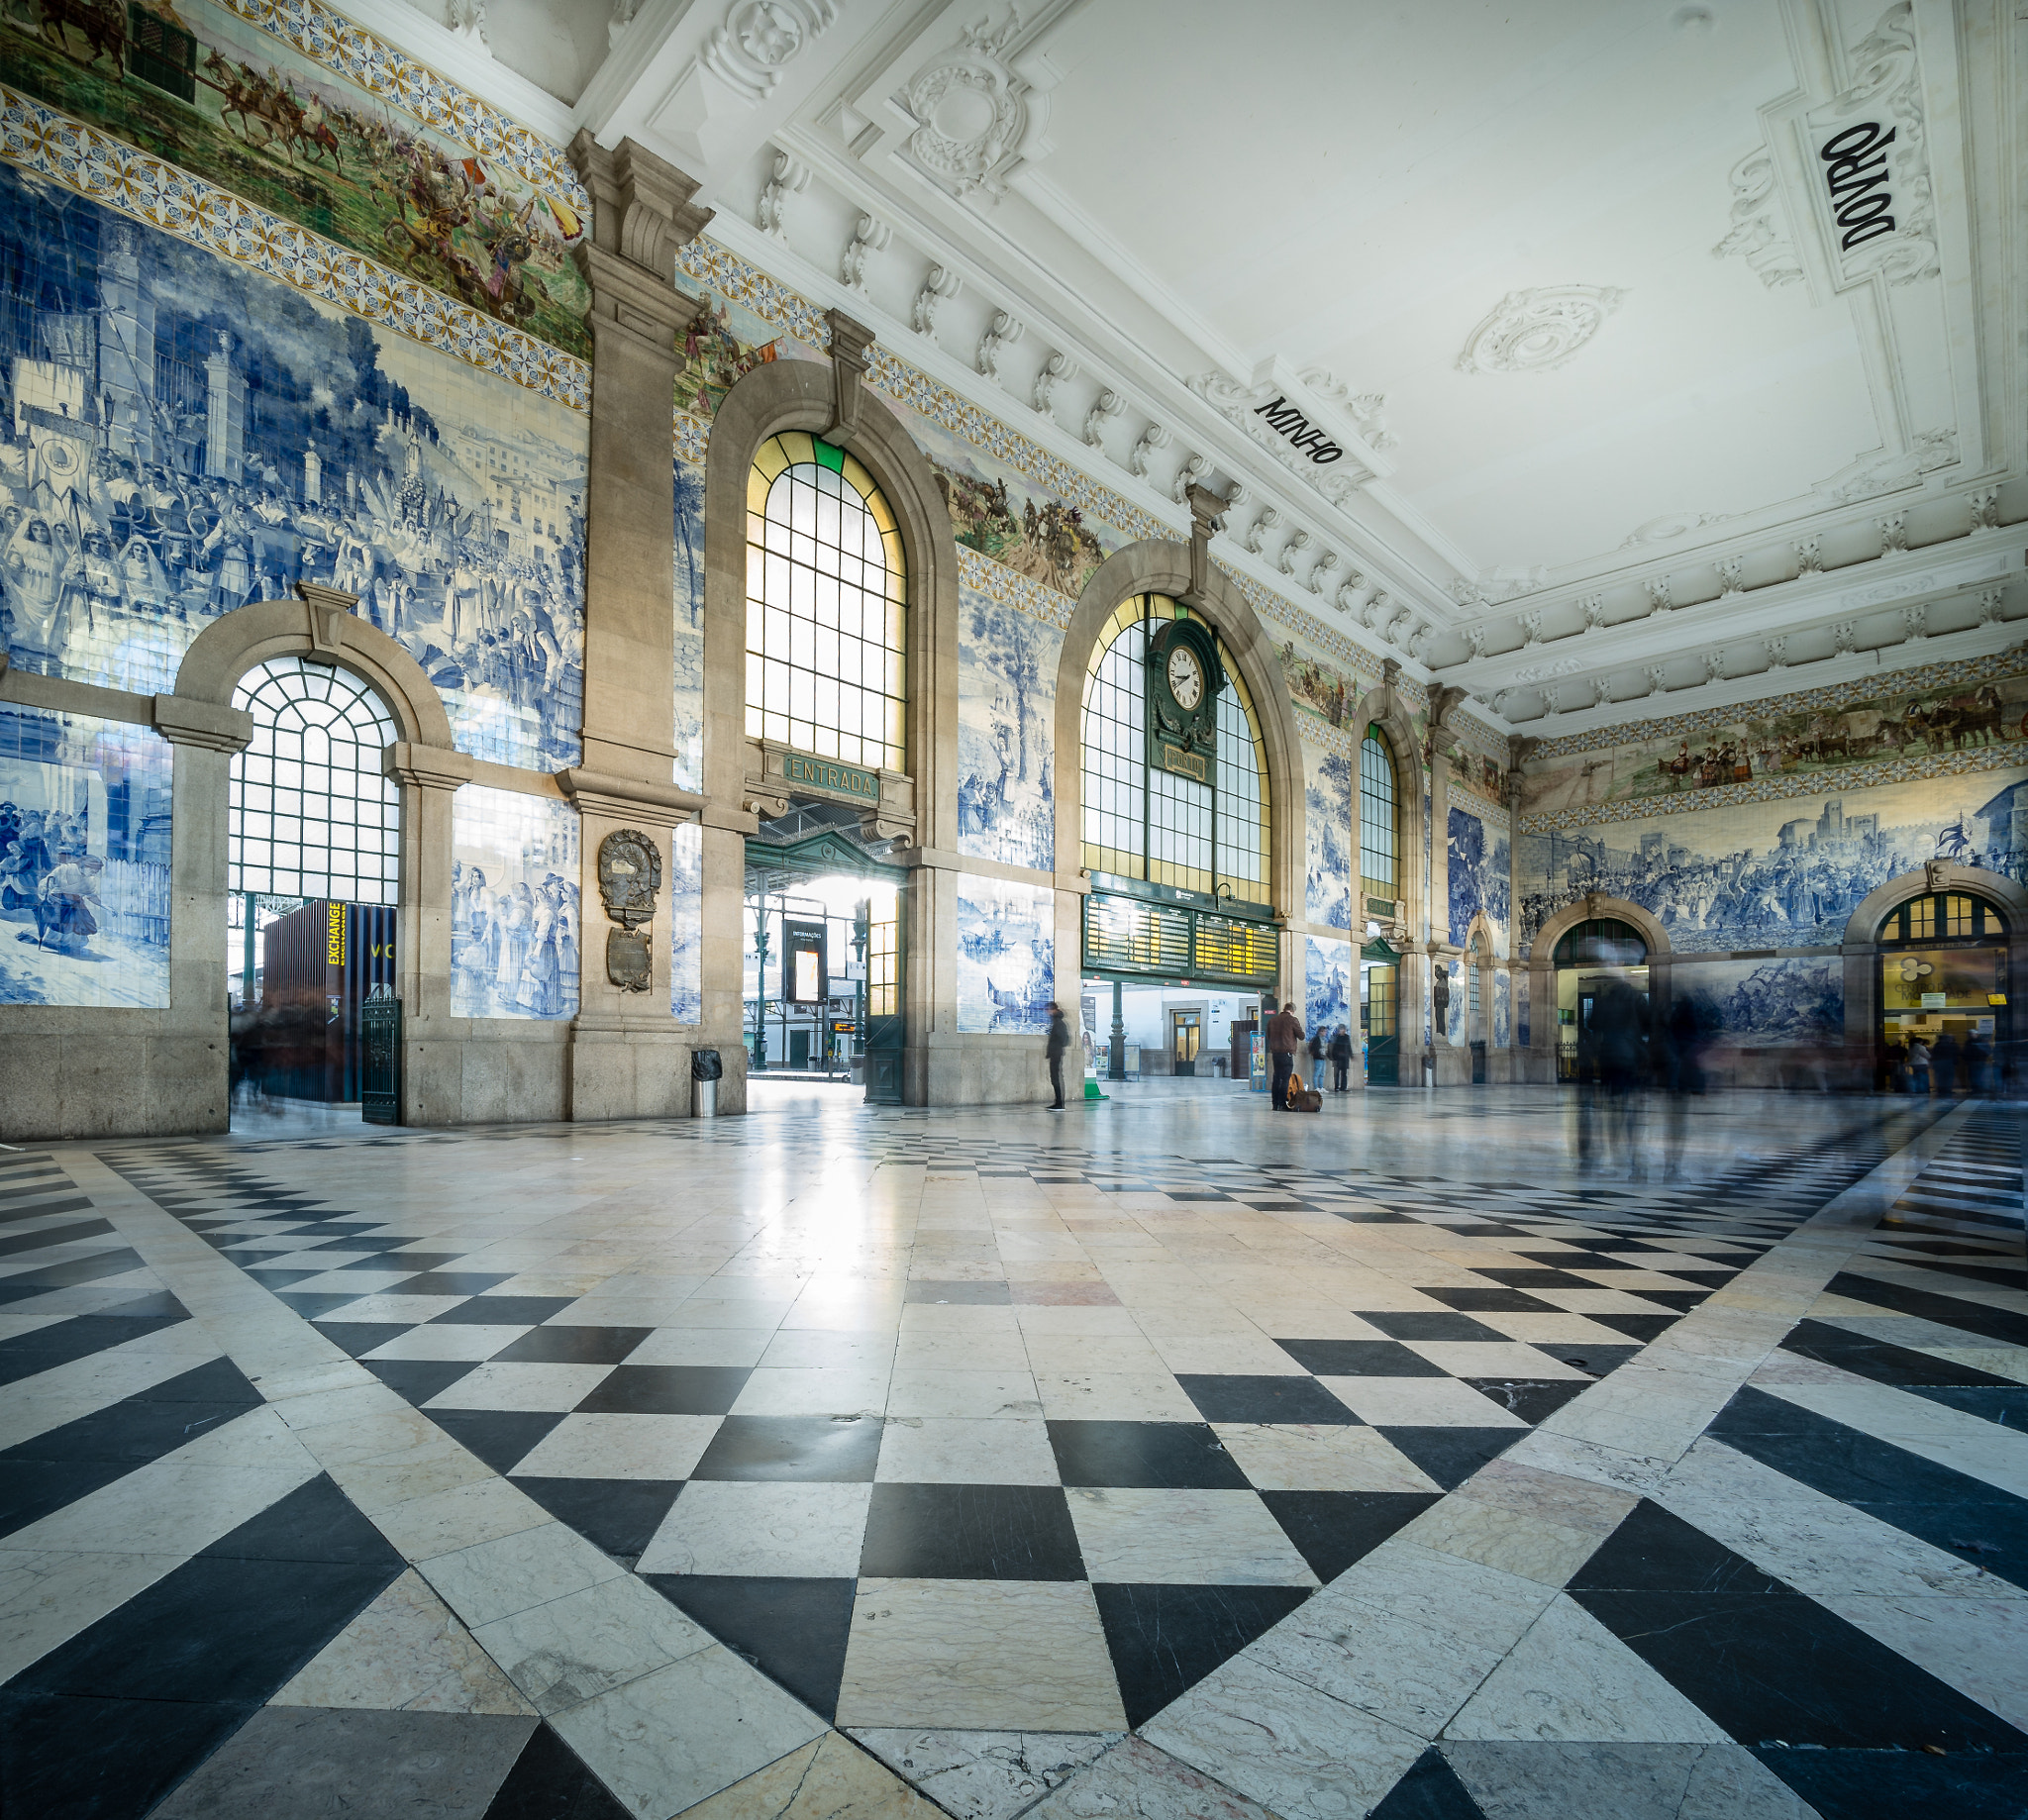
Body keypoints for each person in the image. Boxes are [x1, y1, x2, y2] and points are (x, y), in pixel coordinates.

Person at [1267, 1000, 1303, 1109]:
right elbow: (1301, 1036)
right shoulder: (1292, 1020)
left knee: (1276, 1078)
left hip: (1275, 1053)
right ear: (1292, 1010)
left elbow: (1269, 1036)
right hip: (1286, 1053)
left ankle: (1275, 1104)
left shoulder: (1272, 1020)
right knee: (1285, 1079)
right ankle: (1282, 1104)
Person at [1045, 1000, 1070, 1109]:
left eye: (1048, 1010)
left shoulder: (1058, 1023)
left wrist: (1055, 1048)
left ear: (1053, 1010)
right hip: (1055, 1053)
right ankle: (1058, 1102)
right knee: (1054, 1077)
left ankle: (1059, 1103)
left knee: (1055, 1078)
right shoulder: (1057, 1021)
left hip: (1056, 1054)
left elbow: (1063, 1039)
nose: (1047, 1012)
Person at [1932, 1029, 1960, 1097]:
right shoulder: (1952, 1045)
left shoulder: (1937, 1045)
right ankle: (1947, 1089)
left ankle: (1941, 1089)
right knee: (1948, 1077)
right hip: (1949, 1063)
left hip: (1939, 1063)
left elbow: (1934, 1054)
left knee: (1940, 1077)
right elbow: (1956, 1053)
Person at [1329, 1025, 1353, 1092]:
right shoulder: (1337, 1037)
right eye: (1342, 1029)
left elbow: (1349, 1046)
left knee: (1344, 1073)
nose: (1343, 1031)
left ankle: (1343, 1087)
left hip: (1345, 1057)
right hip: (1338, 1058)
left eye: (1344, 1029)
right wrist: (1334, 1057)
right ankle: (1336, 1087)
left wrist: (1351, 1055)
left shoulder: (1347, 1037)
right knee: (1337, 1073)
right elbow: (1334, 1048)